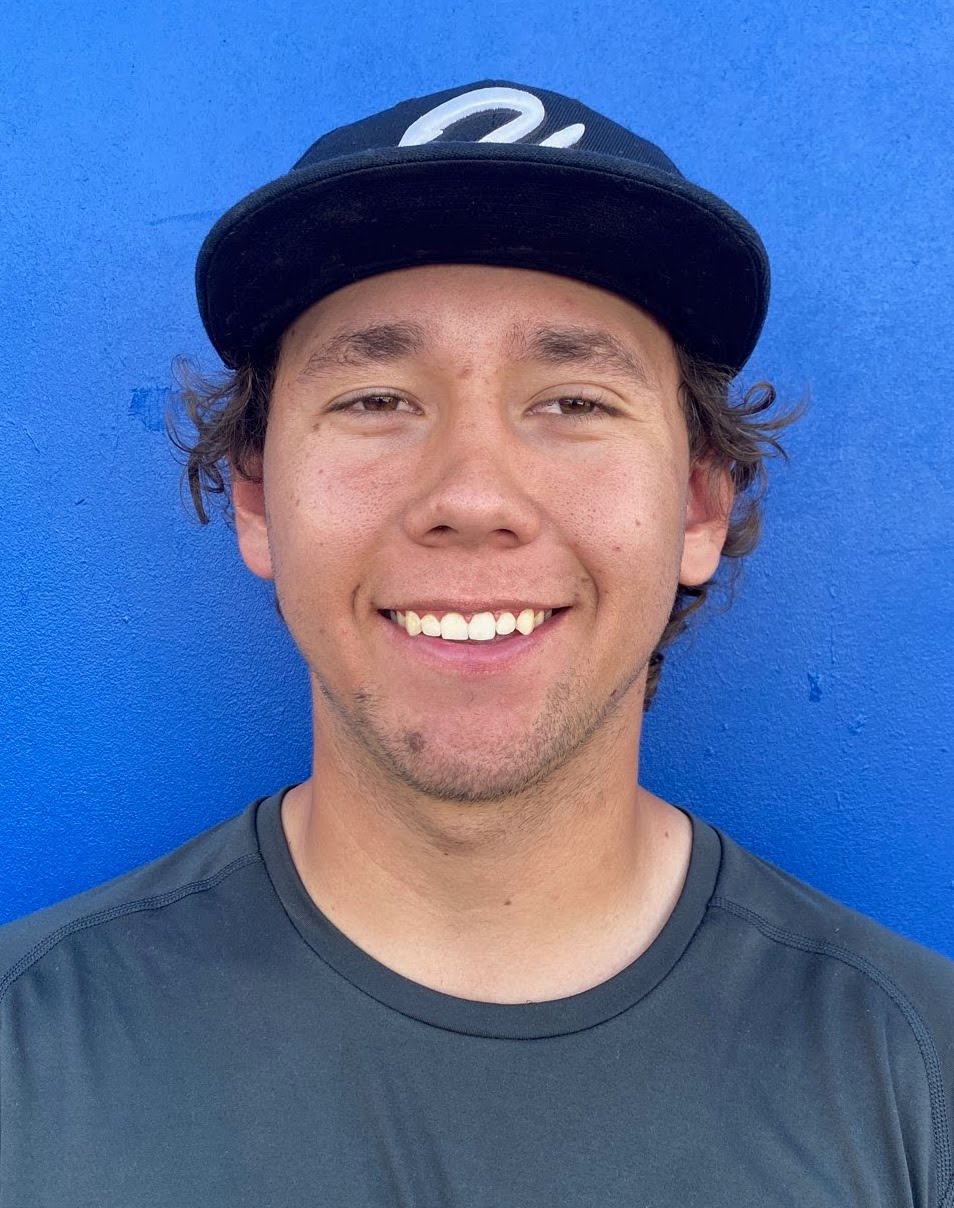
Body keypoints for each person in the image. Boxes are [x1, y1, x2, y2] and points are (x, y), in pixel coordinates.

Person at [1, 81, 951, 1207]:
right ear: (256, 497)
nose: (471, 496)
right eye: (376, 398)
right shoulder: (27, 1048)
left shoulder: (919, 1073)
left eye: (574, 402)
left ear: (700, 505)